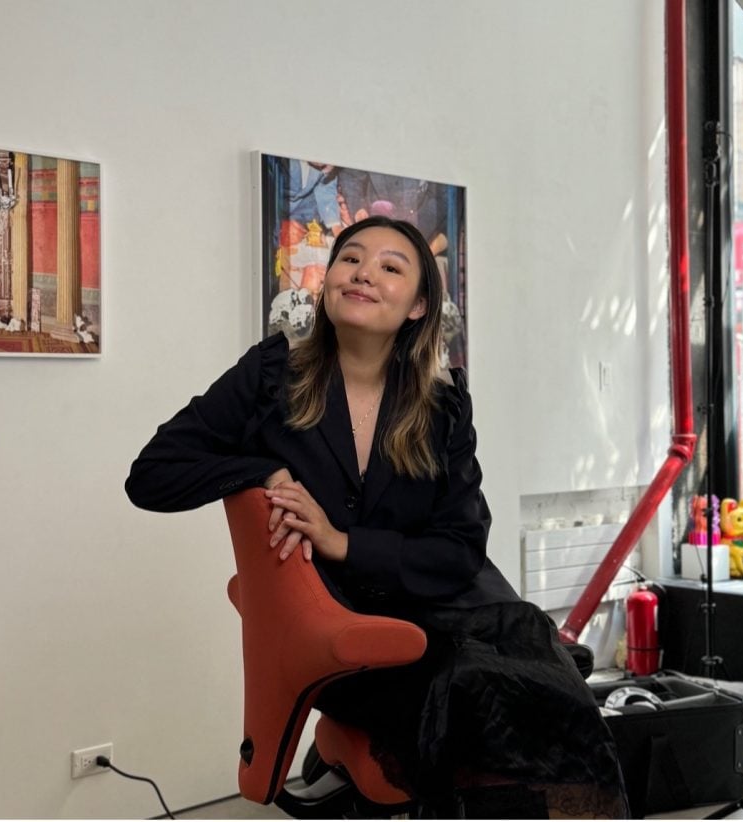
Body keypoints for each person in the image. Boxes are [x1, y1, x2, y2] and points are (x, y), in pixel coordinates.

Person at [125, 216, 628, 818]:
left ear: (418, 306)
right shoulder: (269, 378)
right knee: (480, 692)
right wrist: (260, 472)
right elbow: (151, 475)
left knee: (555, 694)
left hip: (454, 612)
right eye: (351, 259)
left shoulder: (443, 408)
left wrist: (342, 541)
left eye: (391, 267)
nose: (364, 272)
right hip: (348, 635)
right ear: (329, 282)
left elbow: (461, 547)